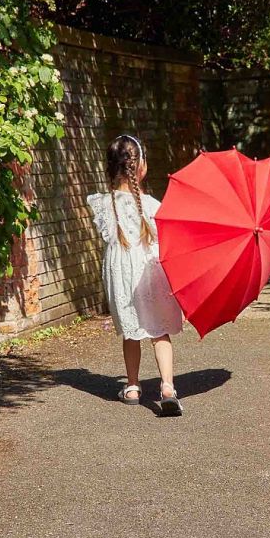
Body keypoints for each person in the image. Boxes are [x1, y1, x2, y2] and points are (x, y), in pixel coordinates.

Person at [86, 134, 184, 416]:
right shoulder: (152, 205)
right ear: (141, 167)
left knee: (131, 333)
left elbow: (108, 236)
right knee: (159, 331)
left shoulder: (103, 204)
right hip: (150, 274)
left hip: (121, 277)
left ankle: (131, 386)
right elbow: (164, 242)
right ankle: (167, 388)